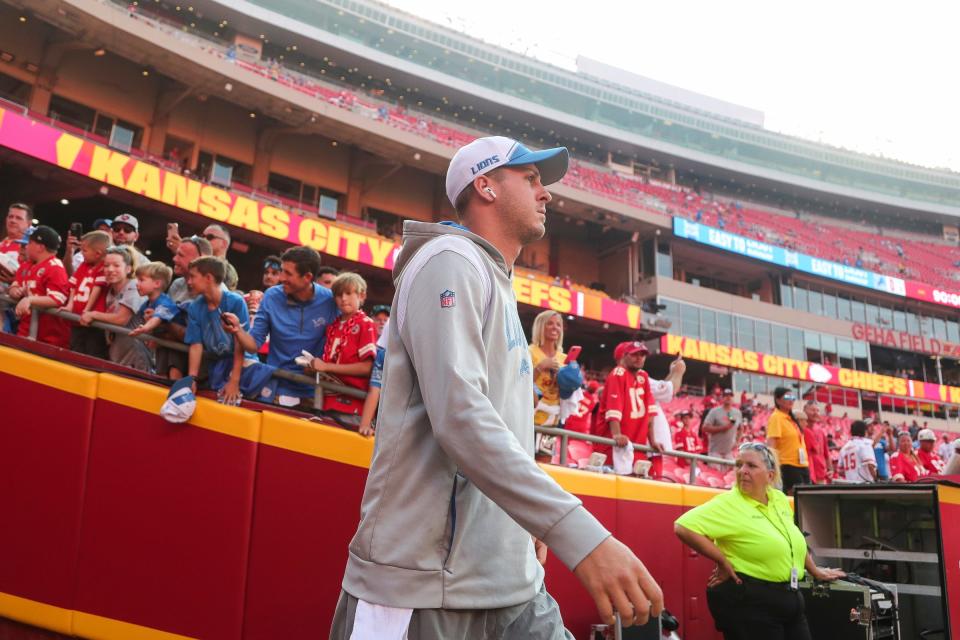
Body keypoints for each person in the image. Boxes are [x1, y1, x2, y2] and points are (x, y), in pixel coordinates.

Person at [332, 136, 662, 638]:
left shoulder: (496, 279)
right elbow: (460, 415)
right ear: (484, 186)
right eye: (530, 179)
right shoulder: (450, 259)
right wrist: (579, 535)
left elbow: (499, 426)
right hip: (425, 585)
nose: (545, 193)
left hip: (510, 577)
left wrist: (523, 519)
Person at [674, 442, 845, 640]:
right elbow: (683, 527)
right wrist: (721, 560)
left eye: (751, 466)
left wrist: (814, 570)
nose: (743, 471)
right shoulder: (729, 503)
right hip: (751, 603)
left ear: (770, 476)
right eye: (739, 465)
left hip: (790, 597)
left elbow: (791, 539)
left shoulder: (778, 499)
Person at [231, 246, 339, 406]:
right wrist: (237, 330)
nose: (281, 278)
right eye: (282, 271)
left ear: (308, 277)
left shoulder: (331, 301)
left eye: (288, 273)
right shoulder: (272, 296)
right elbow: (253, 345)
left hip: (312, 394)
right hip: (274, 387)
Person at [185, 257, 265, 404]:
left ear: (208, 277)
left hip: (244, 367)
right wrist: (191, 379)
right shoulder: (195, 307)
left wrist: (234, 381)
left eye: (193, 277)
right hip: (216, 367)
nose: (189, 282)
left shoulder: (235, 301)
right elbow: (196, 345)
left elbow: (240, 343)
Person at [308, 272, 377, 423]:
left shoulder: (366, 323)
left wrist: (327, 367)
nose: (343, 298)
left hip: (352, 406)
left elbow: (367, 367)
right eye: (339, 295)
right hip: (325, 402)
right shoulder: (333, 326)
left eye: (348, 293)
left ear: (362, 296)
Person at [79, 246, 151, 371]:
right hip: (116, 354)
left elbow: (121, 319)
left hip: (136, 356)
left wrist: (92, 314)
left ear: (128, 269)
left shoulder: (135, 287)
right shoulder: (107, 288)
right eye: (106, 266)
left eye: (116, 265)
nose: (110, 269)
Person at [595, 341, 663, 471]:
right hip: (613, 449)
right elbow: (613, 411)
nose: (639, 358)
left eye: (642, 355)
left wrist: (652, 440)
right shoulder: (618, 373)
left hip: (636, 449)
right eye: (634, 355)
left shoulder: (644, 376)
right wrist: (617, 434)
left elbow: (650, 414)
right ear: (625, 356)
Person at [155, 235, 213, 379]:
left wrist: (165, 322)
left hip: (199, 378)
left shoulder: (213, 293)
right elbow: (161, 327)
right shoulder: (177, 284)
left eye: (181, 255)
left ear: (201, 259)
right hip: (166, 367)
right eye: (176, 254)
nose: (174, 259)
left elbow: (199, 340)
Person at [10, 225, 71, 348]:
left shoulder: (55, 267)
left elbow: (58, 299)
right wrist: (14, 291)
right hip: (25, 330)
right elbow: (14, 285)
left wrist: (30, 299)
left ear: (40, 247)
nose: (26, 246)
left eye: (30, 242)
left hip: (50, 338)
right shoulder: (27, 265)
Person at [64, 230, 111, 358]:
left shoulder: (103, 268)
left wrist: (87, 310)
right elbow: (73, 285)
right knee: (75, 352)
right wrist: (70, 305)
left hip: (93, 323)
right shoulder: (83, 265)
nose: (81, 254)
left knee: (92, 354)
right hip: (77, 319)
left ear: (97, 254)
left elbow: (97, 289)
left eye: (84, 251)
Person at [767, 387, 809, 494]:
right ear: (777, 400)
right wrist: (772, 465)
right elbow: (771, 444)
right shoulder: (776, 417)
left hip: (802, 465)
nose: (791, 400)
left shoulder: (791, 419)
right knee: (795, 501)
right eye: (787, 397)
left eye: (793, 397)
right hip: (788, 465)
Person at [128, 262, 178, 339]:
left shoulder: (165, 303)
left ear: (157, 283)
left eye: (141, 280)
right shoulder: (146, 304)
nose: (137, 284)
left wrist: (145, 328)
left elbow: (157, 318)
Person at [702, 389, 742, 462]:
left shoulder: (737, 413)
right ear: (722, 398)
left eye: (730, 395)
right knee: (713, 473)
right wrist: (723, 428)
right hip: (715, 452)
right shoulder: (714, 411)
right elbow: (704, 428)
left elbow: (741, 428)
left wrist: (737, 442)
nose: (728, 397)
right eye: (726, 395)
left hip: (729, 452)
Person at [200, 224, 239, 290]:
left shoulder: (228, 270)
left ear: (224, 244)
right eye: (202, 236)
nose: (204, 239)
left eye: (210, 237)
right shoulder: (197, 260)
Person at [0, 203, 31, 284]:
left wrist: (17, 281)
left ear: (29, 224)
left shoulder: (31, 250)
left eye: (19, 218)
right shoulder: (1, 244)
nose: (13, 220)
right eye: (10, 217)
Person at [802, 401, 831, 484]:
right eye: (812, 410)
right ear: (804, 411)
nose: (816, 413)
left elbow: (826, 453)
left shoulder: (820, 431)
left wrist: (830, 469)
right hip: (806, 473)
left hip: (821, 474)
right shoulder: (799, 430)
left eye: (817, 410)